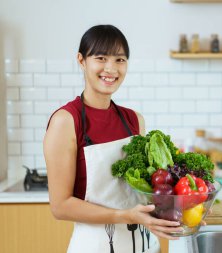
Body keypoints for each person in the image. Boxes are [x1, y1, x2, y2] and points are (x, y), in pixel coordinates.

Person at [43, 24, 182, 253]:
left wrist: (182, 211)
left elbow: (146, 190)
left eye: (120, 60)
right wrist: (125, 216)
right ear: (81, 60)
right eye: (101, 58)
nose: (111, 68)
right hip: (95, 246)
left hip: (145, 245)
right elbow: (60, 206)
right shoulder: (66, 121)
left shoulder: (134, 120)